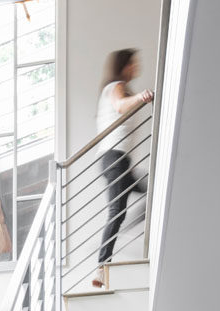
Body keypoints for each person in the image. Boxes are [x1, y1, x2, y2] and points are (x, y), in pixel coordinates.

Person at [92, 50, 153, 289]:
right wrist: (142, 97)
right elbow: (119, 106)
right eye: (133, 63)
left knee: (154, 191)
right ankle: (101, 269)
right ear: (124, 66)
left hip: (121, 161)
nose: (136, 67)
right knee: (117, 211)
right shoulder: (116, 86)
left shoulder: (120, 88)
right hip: (114, 159)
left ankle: (129, 231)